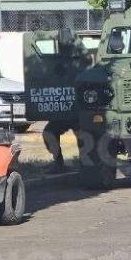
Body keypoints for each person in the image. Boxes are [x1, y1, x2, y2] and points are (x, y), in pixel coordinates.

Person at [43, 36, 92, 175]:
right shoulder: (56, 62)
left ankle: (86, 165)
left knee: (83, 137)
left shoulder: (81, 60)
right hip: (64, 107)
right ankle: (59, 163)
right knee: (49, 132)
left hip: (79, 109)